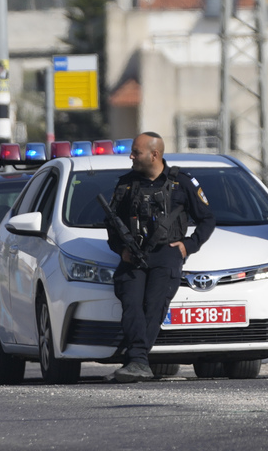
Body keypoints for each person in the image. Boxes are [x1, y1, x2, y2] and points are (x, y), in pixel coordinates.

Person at [102, 132, 215, 383]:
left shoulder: (182, 183)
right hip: (134, 255)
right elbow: (111, 224)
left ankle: (137, 361)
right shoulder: (126, 184)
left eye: (136, 152)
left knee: (154, 305)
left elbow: (207, 219)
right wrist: (121, 250)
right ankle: (138, 362)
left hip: (166, 254)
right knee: (131, 303)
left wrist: (188, 246)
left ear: (154, 155)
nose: (131, 156)